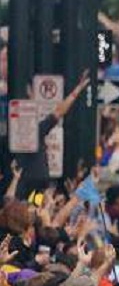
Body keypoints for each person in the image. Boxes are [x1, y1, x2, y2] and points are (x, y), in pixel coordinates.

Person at [16, 71, 91, 199]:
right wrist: (76, 91)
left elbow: (58, 112)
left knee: (35, 209)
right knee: (33, 210)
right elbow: (58, 112)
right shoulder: (33, 129)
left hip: (34, 183)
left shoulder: (36, 128)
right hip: (32, 183)